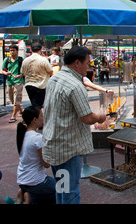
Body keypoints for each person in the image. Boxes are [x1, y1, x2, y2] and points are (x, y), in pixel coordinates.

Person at [42, 46, 107, 204]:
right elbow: (87, 118)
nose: (89, 67)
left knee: (61, 188)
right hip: (68, 148)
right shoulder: (75, 85)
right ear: (77, 62)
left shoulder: (55, 79)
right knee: (70, 192)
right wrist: (100, 117)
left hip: (54, 143)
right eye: (87, 63)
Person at [16, 106, 56, 204]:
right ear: (35, 120)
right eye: (41, 116)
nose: (43, 118)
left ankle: (24, 192)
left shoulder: (22, 134)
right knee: (64, 189)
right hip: (35, 182)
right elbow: (46, 164)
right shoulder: (37, 138)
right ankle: (31, 196)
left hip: (22, 179)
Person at [21, 43, 53, 107]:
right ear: (41, 50)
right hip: (40, 85)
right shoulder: (44, 60)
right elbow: (50, 72)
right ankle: (35, 117)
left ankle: (37, 116)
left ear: (30, 50)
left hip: (29, 85)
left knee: (34, 104)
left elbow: (22, 73)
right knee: (37, 106)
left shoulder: (25, 60)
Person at [1, 44, 24, 123]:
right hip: (9, 81)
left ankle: (13, 116)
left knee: (17, 98)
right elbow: (3, 70)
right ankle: (21, 109)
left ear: (17, 51)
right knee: (12, 99)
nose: (12, 52)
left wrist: (20, 75)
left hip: (18, 82)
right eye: (11, 50)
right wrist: (6, 73)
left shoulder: (21, 60)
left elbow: (25, 71)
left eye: (14, 50)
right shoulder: (6, 60)